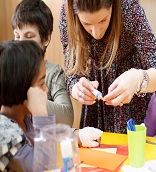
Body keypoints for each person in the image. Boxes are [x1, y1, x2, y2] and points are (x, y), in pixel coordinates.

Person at [59, 0, 156, 133]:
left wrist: (137, 79)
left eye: (103, 20)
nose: (96, 33)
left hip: (132, 98)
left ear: (113, 1)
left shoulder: (128, 5)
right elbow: (71, 74)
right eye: (87, 24)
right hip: (96, 107)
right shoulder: (67, 14)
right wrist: (76, 88)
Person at [0, 40, 102, 171]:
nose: (46, 90)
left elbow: (51, 136)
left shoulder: (25, 117)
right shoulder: (4, 131)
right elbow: (43, 167)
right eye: (42, 83)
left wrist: (79, 136)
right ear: (20, 88)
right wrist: (41, 116)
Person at [12, 0, 74, 126]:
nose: (21, 43)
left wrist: (28, 99)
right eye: (17, 36)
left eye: (29, 37)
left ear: (45, 38)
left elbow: (67, 117)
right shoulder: (9, 69)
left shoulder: (53, 72)